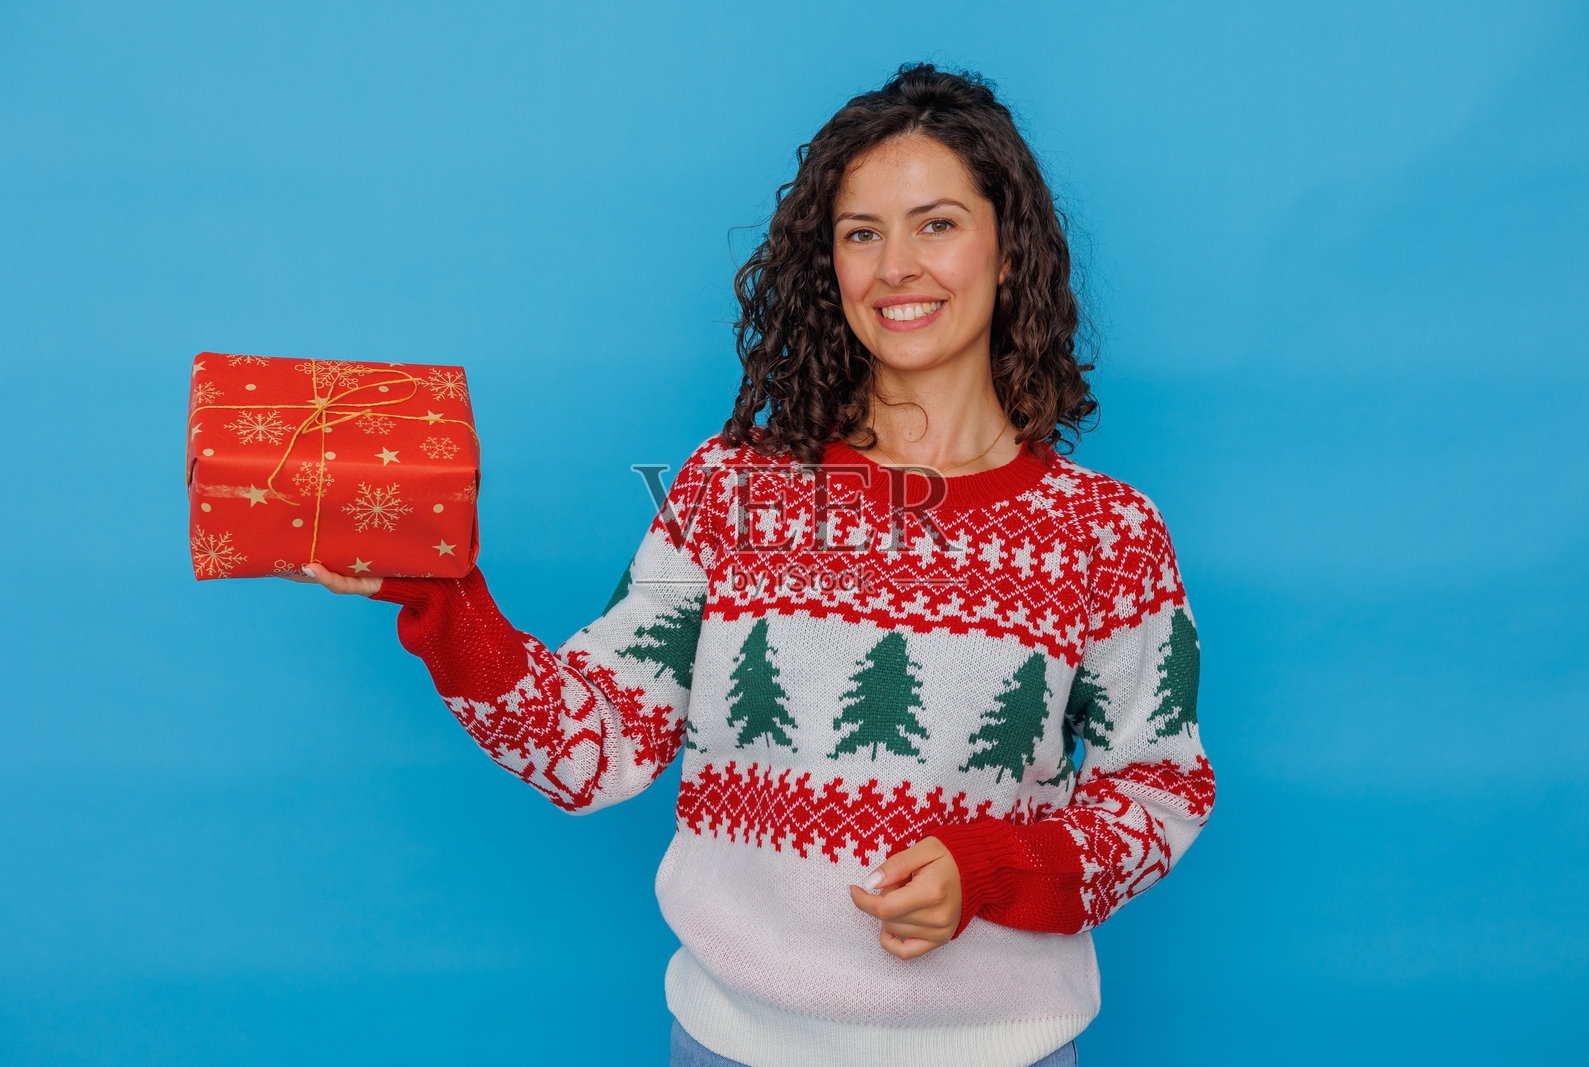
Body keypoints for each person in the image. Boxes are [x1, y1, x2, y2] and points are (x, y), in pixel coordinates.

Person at [296, 62, 1214, 1067]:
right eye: (861, 233)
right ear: (831, 267)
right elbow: (591, 745)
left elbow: (1158, 790)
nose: (896, 264)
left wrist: (992, 870)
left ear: (1008, 252)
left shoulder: (1106, 531)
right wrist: (443, 592)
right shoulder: (727, 488)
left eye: (937, 223)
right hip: (735, 1043)